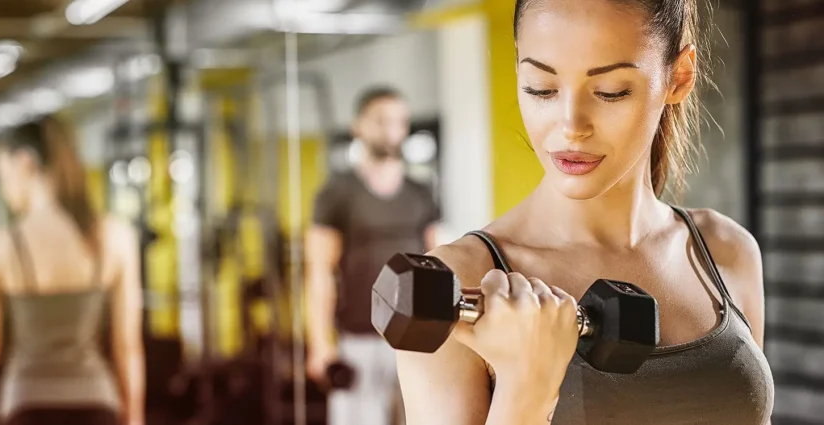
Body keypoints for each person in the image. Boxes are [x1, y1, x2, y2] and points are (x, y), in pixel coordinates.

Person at [395, 0, 776, 424]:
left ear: (679, 76)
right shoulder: (456, 284)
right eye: (542, 87)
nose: (571, 125)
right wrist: (527, 385)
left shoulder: (725, 250)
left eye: (611, 91)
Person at [0, 116, 145, 425]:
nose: (6, 191)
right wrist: (134, 418)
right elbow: (127, 347)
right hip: (97, 405)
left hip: (27, 406)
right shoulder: (115, 237)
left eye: (3, 177)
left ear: (24, 162)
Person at [305, 86, 441, 425]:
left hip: (416, 337)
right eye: (381, 121)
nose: (392, 130)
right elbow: (319, 273)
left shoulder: (421, 192)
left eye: (399, 121)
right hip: (359, 338)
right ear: (358, 126)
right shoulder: (337, 192)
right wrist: (321, 344)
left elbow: (440, 263)